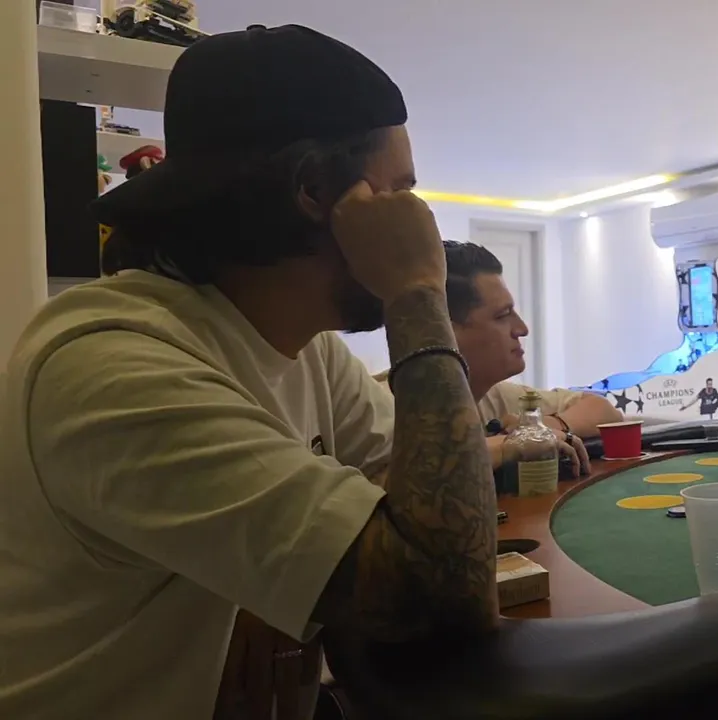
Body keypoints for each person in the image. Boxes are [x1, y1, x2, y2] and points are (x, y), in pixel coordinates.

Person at [0, 25, 498, 720]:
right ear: (314, 191)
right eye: (399, 193)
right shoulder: (111, 366)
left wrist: (275, 584)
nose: (420, 222)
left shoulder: (306, 349)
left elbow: (423, 493)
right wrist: (418, 295)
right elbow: (441, 597)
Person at [437, 240, 622, 472]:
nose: (522, 329)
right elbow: (418, 467)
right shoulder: (395, 408)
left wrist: (545, 427)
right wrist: (513, 444)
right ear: (446, 331)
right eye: (502, 315)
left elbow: (604, 411)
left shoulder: (493, 395)